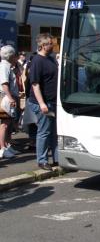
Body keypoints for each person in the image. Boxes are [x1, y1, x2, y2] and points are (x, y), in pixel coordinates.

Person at [27, 33, 59, 171]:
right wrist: (42, 104)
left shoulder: (51, 59)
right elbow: (35, 84)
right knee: (44, 131)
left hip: (52, 101)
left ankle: (57, 158)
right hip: (42, 103)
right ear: (43, 45)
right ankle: (42, 160)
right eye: (51, 44)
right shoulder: (37, 61)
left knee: (53, 132)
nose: (53, 46)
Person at [0, 45, 21, 159]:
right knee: (5, 124)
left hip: (8, 98)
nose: (15, 57)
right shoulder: (4, 66)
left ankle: (7, 145)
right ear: (11, 56)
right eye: (14, 55)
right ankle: (2, 147)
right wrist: (11, 98)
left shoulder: (8, 66)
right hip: (5, 98)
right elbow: (4, 84)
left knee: (9, 124)